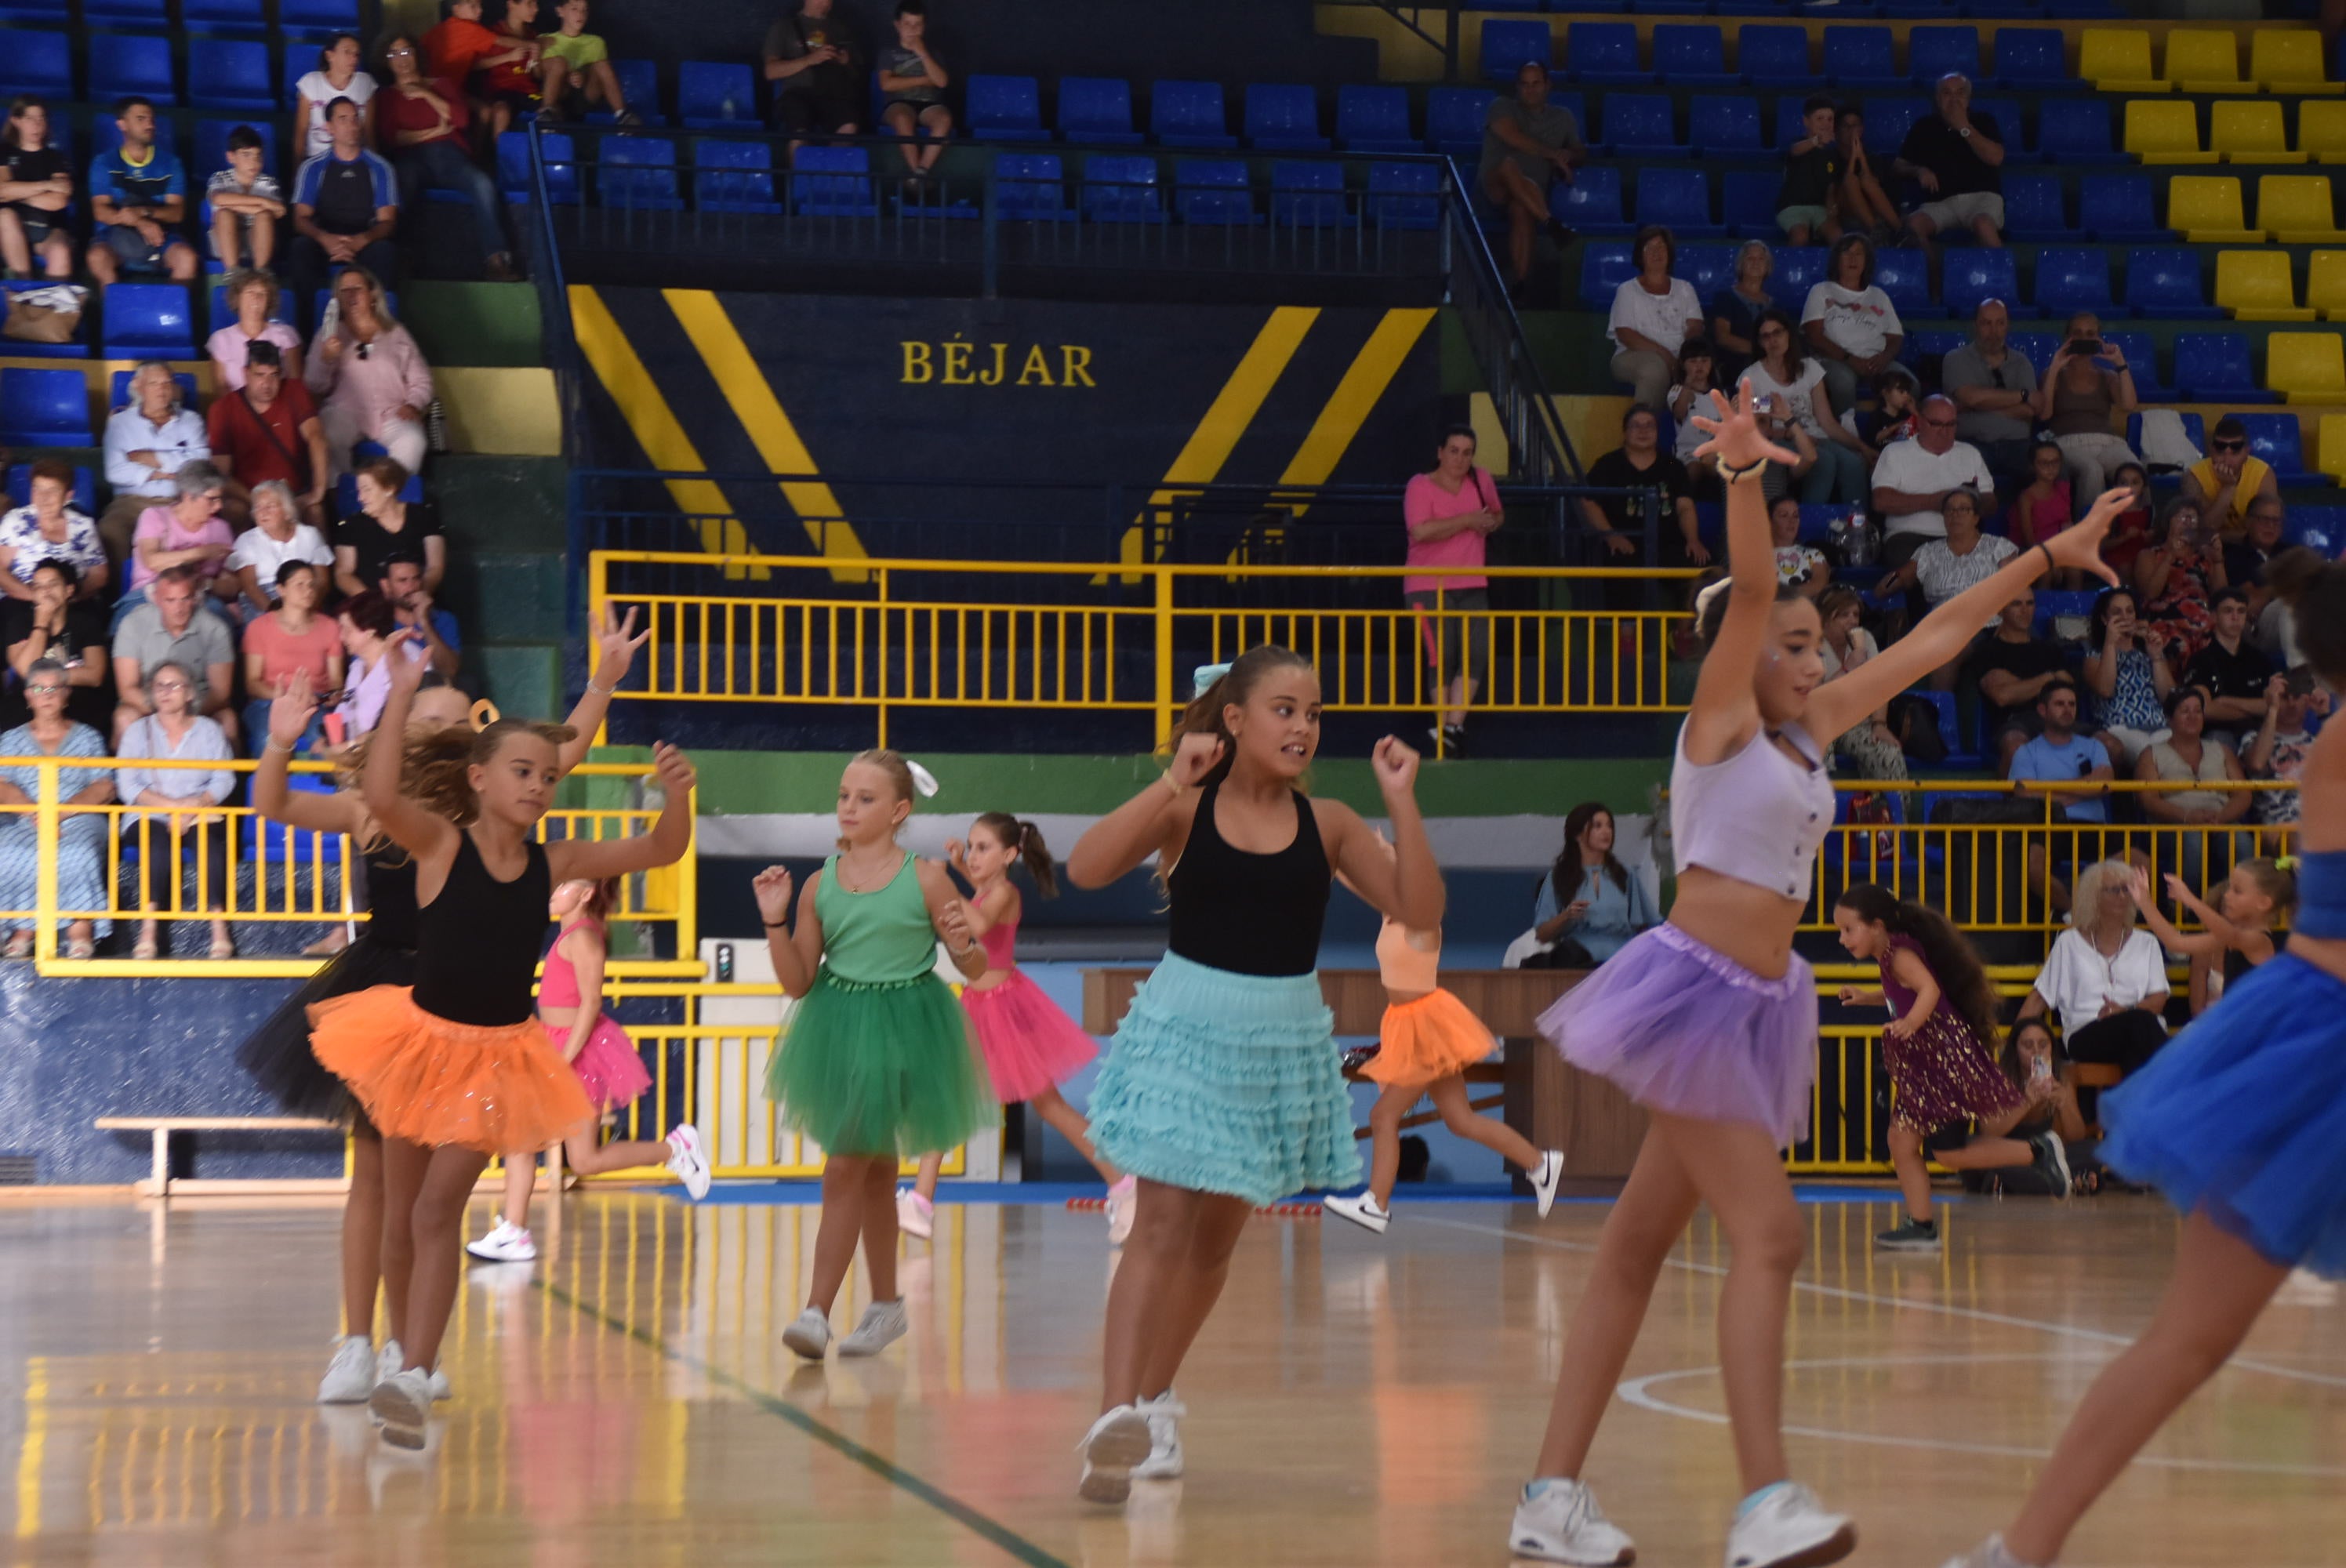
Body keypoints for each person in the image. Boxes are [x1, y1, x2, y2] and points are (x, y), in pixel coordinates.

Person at [1509, 387, 2120, 1568]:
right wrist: (1741, 477)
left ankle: (1548, 1499)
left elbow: (1936, 640)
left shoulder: (1810, 729)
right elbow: (1748, 594)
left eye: (1815, 639)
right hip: (1693, 989)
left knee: (1636, 1249)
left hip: (1754, 1002)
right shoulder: (1720, 727)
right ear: (1739, 656)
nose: (1811, 653)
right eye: (1788, 643)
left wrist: (2046, 552)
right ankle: (1761, 1505)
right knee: (1774, 1238)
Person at [1941, 559, 2346, 1567]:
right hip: (2313, 1046)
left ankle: (2019, 1548)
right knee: (2187, 1338)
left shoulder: (2333, 742)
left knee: (2184, 1340)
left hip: (2298, 1039)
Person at [237, 608, 646, 1406]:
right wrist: (284, 738)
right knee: (375, 1185)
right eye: (425, 712)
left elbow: (564, 748)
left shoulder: (493, 818)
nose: (443, 727)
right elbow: (275, 806)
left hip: (470, 1011)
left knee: (428, 1202)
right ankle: (357, 1341)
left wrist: (600, 680)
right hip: (382, 998)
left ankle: (406, 1349)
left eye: (457, 720)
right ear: (402, 717)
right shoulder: (375, 807)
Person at [1064, 648, 1440, 1505]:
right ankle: (1110, 1414)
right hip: (1185, 1027)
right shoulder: (1188, 807)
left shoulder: (1334, 822)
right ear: (1233, 719)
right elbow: (1085, 867)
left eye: (1312, 712)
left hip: (1275, 1041)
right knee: (1159, 1221)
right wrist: (1168, 780)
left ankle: (1152, 1400)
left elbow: (1419, 910)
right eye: (1283, 708)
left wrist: (1403, 803)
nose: (1302, 726)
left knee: (1213, 1243)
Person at [304, 648, 698, 1452]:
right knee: (403, 1215)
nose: (539, 786)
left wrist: (680, 798)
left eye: (549, 778)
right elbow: (379, 794)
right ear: (479, 777)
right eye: (523, 771)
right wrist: (400, 696)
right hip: (418, 1043)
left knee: (439, 1206)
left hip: (497, 1057)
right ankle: (385, 1348)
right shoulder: (441, 843)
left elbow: (659, 851)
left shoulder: (558, 861)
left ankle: (415, 1368)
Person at [754, 750, 994, 1363]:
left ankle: (816, 1310)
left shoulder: (927, 877)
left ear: (899, 811)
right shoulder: (819, 884)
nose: (849, 807)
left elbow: (976, 965)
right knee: (877, 1171)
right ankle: (886, 1306)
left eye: (865, 798)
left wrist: (965, 945)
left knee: (844, 1165)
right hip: (839, 1023)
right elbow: (799, 982)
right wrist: (775, 923)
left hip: (907, 1028)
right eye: (843, 796)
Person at [897, 814, 1135, 1244]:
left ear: (1009, 855)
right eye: (970, 846)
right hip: (979, 1005)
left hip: (1002, 1007)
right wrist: (955, 868)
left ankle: (1122, 1183)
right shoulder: (988, 887)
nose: (973, 855)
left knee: (1048, 1105)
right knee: (954, 1098)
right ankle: (921, 1201)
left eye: (983, 847)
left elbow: (981, 925)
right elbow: (976, 892)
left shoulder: (1004, 893)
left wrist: (944, 883)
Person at [466, 875, 713, 1264]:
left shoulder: (584, 937)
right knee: (549, 1148)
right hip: (550, 1043)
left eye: (562, 886)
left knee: (559, 1151)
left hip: (576, 1051)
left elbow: (591, 1004)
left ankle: (675, 1148)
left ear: (586, 894)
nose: (552, 893)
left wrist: (563, 1062)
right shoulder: (570, 935)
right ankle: (514, 1230)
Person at [1325, 855, 1565, 1235]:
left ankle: (1376, 1203)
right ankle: (1539, 1163)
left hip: (1426, 1025)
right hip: (1409, 1024)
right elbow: (1359, 877)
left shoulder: (1423, 923)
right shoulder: (1391, 912)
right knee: (1461, 1120)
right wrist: (1335, 855)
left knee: (1383, 1116)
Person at [1832, 884, 2054, 1253]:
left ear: (1876, 925)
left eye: (1847, 929)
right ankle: (1921, 1226)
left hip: (1941, 1063)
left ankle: (2038, 1152)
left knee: (1947, 1154)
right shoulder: (1890, 953)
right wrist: (1867, 996)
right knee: (1902, 1141)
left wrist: (1910, 1024)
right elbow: (1903, 992)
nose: (1841, 939)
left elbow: (1929, 991)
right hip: (1926, 1066)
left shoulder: (1899, 953)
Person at [115, 660, 237, 960]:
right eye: (160, 686)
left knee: (210, 845)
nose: (166, 692)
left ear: (190, 694)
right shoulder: (136, 731)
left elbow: (225, 778)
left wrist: (193, 809)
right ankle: (148, 929)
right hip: (149, 813)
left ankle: (219, 930)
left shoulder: (209, 730)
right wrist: (175, 809)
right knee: (156, 843)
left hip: (199, 812)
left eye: (175, 685)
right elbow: (127, 785)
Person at [376, 34, 518, 282]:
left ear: (417, 54)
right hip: (411, 158)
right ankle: (402, 258)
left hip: (449, 154)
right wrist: (436, 130)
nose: (401, 59)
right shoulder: (387, 96)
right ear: (387, 62)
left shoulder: (441, 84)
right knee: (401, 182)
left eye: (406, 51)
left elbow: (461, 119)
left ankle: (496, 260)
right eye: (393, 54)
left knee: (483, 184)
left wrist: (425, 93)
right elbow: (394, 138)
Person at [2014, 858, 2170, 1083]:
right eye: (2113, 890)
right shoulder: (2069, 943)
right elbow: (2038, 1000)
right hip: (2086, 1032)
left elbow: (2158, 999)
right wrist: (2012, 1051)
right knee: (2141, 1024)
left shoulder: (2147, 943)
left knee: (2135, 1047)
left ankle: (2129, 1116)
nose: (2122, 896)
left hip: (2138, 1032)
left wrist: (2124, 1011)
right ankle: (2179, 1086)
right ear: (2094, 897)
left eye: (2127, 890)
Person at [0, 659, 112, 959]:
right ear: (28, 696)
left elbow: (104, 786)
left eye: (54, 688)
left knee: (76, 851)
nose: (47, 694)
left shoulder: (88, 737)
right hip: (25, 819)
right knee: (8, 850)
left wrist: (60, 812)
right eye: (39, 688)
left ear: (66, 694)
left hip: (77, 818)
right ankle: (23, 928)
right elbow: (2, 785)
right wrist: (35, 813)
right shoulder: (11, 740)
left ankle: (80, 928)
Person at [1404, 426, 1502, 756]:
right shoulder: (1419, 485)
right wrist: (1469, 520)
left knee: (1476, 653)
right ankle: (1446, 727)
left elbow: (1496, 514)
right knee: (1440, 656)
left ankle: (1451, 727)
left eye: (1467, 452)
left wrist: (1489, 522)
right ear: (1440, 452)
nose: (1461, 458)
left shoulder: (1481, 479)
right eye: (1455, 451)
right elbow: (1420, 530)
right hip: (1427, 585)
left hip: (1473, 581)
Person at [307, 270, 431, 479]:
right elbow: (313, 385)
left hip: (391, 412)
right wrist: (326, 358)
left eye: (357, 289)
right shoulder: (328, 334)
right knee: (328, 435)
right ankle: (343, 499)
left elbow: (422, 380)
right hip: (345, 411)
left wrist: (413, 404)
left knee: (413, 440)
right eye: (344, 291)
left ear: (373, 294)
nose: (351, 295)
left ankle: (387, 499)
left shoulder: (396, 333)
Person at [1738, 310, 1868, 504]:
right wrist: (1790, 434)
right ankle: (1808, 521)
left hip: (1817, 436)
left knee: (1854, 463)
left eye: (1778, 333)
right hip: (1780, 438)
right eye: (1766, 336)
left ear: (1788, 334)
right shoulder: (1751, 378)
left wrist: (1861, 446)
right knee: (1824, 461)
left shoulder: (1810, 369)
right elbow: (1755, 425)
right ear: (1759, 342)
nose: (1773, 340)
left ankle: (1857, 523)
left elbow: (1827, 421)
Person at [2130, 860, 2289, 1018]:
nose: (2226, 895)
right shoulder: (2230, 938)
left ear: (2263, 903)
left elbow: (2232, 935)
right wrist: (2144, 901)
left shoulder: (2259, 940)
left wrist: (2190, 899)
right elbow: (2175, 942)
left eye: (2237, 891)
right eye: (2229, 888)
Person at [287, 97, 399, 319]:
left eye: (355, 119)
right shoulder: (313, 167)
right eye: (343, 119)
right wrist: (325, 239)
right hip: (324, 239)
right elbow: (300, 219)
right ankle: (310, 328)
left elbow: (388, 221)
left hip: (364, 239)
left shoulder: (380, 167)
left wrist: (361, 240)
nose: (352, 125)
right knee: (300, 249)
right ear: (329, 128)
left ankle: (377, 327)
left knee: (385, 253)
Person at [1478, 61, 1582, 292]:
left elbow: (1580, 150)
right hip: (1496, 184)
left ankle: (1520, 284)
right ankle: (1550, 223)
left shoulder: (1563, 117)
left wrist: (1568, 154)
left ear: (1547, 85)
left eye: (1536, 83)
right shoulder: (1501, 106)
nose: (1530, 90)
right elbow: (1512, 136)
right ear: (1517, 87)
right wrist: (1553, 155)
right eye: (1525, 84)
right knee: (1508, 164)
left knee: (1521, 209)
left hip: (1531, 190)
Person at [97, 363, 212, 566]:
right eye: (154, 383)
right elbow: (115, 472)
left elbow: (201, 464)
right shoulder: (120, 423)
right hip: (130, 502)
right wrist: (170, 471)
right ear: (140, 388)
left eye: (167, 383)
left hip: (178, 502)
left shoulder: (191, 420)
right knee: (110, 531)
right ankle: (124, 594)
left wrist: (152, 459)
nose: (162, 389)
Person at [206, 341, 328, 531]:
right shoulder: (223, 409)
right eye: (260, 375)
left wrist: (318, 491)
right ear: (245, 373)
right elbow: (222, 473)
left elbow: (316, 437)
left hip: (292, 493)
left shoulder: (295, 391)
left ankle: (322, 561)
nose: (267, 384)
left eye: (273, 376)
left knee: (316, 510)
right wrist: (258, 502)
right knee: (233, 509)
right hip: (248, 495)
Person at [1870, 394, 1998, 572]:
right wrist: (1936, 502)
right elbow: (1881, 501)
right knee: (1917, 565)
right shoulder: (1895, 453)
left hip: (1962, 538)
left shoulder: (1970, 453)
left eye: (1950, 424)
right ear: (1920, 422)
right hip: (1909, 538)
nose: (1944, 431)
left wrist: (1969, 503)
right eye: (1936, 424)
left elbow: (1990, 503)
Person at [111, 567, 235, 746]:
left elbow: (220, 693)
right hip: (148, 702)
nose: (179, 608)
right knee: (124, 718)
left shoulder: (215, 628)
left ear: (195, 598)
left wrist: (183, 713)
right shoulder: (133, 624)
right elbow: (127, 689)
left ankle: (223, 775)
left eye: (185, 599)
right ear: (157, 600)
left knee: (227, 720)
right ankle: (127, 774)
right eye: (170, 600)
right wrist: (166, 712)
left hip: (196, 704)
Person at [1880, 488, 2018, 649]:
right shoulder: (1929, 552)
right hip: (1943, 628)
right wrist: (1886, 584)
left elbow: (2013, 589)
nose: (1955, 514)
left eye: (1963, 509)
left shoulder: (1998, 546)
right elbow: (1899, 577)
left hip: (1989, 626)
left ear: (1976, 517)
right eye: (1950, 510)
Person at [85, 96, 197, 285]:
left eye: (151, 119)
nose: (149, 124)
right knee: (97, 257)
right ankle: (113, 312)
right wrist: (140, 222)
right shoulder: (104, 162)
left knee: (187, 259)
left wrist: (143, 213)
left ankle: (169, 313)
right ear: (122, 124)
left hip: (162, 237)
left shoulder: (171, 163)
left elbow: (177, 212)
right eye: (141, 119)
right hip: (115, 236)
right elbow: (101, 211)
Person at [1531, 801, 1658, 965]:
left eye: (1609, 826)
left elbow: (1646, 925)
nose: (1606, 832)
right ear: (1577, 835)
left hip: (1621, 962)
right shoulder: (1558, 876)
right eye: (1597, 826)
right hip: (1577, 963)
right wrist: (1566, 916)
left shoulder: (1625, 874)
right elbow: (1542, 935)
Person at [2034, 313, 2139, 511]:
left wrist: (2120, 363)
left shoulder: (2106, 376)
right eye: (2078, 333)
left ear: (2098, 339)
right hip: (2069, 443)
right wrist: (2056, 367)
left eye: (2090, 334)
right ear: (2068, 338)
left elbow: (2129, 404)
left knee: (2133, 469)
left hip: (2108, 443)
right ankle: (2089, 534)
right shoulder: (2052, 375)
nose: (2084, 338)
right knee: (2092, 471)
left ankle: (2137, 527)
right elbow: (2044, 414)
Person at [1894, 73, 2006, 253]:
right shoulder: (1925, 126)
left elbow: (1996, 158)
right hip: (1940, 202)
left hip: (1981, 198)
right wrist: (1919, 170)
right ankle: (1933, 276)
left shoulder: (1983, 121)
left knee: (1983, 225)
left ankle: (2005, 278)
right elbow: (1898, 166)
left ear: (1968, 99)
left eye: (1960, 93)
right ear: (1938, 99)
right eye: (1947, 93)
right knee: (1912, 227)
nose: (1954, 99)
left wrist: (1965, 127)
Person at [238, 557, 340, 745]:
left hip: (313, 702)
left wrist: (332, 695)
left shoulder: (330, 626)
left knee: (320, 739)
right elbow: (252, 683)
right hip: (269, 701)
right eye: (299, 585)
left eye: (311, 585)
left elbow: (335, 680)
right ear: (281, 589)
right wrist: (287, 698)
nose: (308, 590)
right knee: (267, 739)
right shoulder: (259, 627)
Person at [1800, 234, 1902, 418]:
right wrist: (1850, 359)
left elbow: (1895, 337)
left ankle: (1892, 431)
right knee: (1843, 383)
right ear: (1837, 259)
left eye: (1859, 254)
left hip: (1876, 360)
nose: (1853, 259)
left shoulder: (1879, 295)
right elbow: (1813, 336)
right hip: (1835, 359)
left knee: (1907, 383)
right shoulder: (1821, 290)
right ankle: (1846, 430)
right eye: (1847, 253)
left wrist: (1884, 358)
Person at [1940, 299, 2040, 482]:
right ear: (1975, 325)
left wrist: (1978, 405)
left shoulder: (2022, 362)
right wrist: (2021, 395)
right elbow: (1970, 398)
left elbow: (2030, 411)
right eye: (1986, 323)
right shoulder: (1955, 359)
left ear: (2007, 326)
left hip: (2018, 446)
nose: (1993, 331)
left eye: (2000, 323)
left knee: (2055, 468)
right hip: (1971, 444)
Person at [124, 462, 236, 626]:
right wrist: (202, 552)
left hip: (198, 597)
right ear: (188, 496)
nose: (218, 506)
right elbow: (152, 560)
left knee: (219, 622)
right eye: (212, 499)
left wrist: (206, 583)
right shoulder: (154, 516)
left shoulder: (221, 529)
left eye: (220, 499)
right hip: (148, 593)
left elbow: (232, 586)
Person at [1967, 589, 2067, 773]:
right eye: (2016, 604)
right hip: (2013, 722)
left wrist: (2018, 685)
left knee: (2110, 745)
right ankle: (2014, 803)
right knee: (2017, 749)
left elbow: (2068, 688)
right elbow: (2002, 696)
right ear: (2000, 609)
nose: (2025, 610)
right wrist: (2049, 678)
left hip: (2059, 718)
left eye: (2030, 603)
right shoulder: (1987, 651)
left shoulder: (2050, 649)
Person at [2, 561, 108, 732]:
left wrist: (47, 680)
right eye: (38, 587)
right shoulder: (19, 623)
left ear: (69, 590)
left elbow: (95, 675)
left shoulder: (86, 623)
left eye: (53, 584)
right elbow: (24, 671)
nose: (45, 591)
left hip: (76, 699)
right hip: (30, 701)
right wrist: (42, 622)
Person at [1816, 583, 1908, 780]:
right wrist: (1849, 666)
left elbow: (1879, 684)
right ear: (1825, 619)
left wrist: (1879, 724)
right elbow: (1817, 699)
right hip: (1819, 721)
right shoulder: (1812, 644)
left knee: (1888, 753)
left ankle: (1890, 810)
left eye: (1855, 615)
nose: (1852, 621)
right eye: (1843, 615)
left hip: (1856, 722)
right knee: (1816, 750)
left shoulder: (1865, 638)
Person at [1608, 227, 1704, 408]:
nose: (1657, 252)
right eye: (1649, 248)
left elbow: (1695, 327)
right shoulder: (1627, 290)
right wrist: (1665, 355)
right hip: (1633, 355)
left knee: (1703, 369)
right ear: (1640, 256)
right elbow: (1625, 334)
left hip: (1681, 354)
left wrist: (1684, 356)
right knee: (1655, 370)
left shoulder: (1685, 288)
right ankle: (1644, 426)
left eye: (1661, 247)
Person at [2082, 586, 2174, 767]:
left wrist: (2156, 656)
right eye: (2117, 612)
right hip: (2121, 729)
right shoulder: (2094, 657)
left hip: (2160, 727)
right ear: (2104, 619)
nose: (2125, 617)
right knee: (2153, 756)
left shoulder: (2146, 653)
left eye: (2130, 611)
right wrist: (2110, 643)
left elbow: (2169, 698)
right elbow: (2105, 689)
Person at [2009, 677, 2114, 826]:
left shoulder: (2095, 746)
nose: (2067, 710)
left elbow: (2105, 784)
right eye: (2059, 704)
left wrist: (2048, 790)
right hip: (2048, 828)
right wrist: (2085, 789)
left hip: (2093, 829)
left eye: (2072, 704)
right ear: (2042, 710)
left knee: (2134, 851)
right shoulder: (2026, 752)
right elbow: (2026, 795)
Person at [2135, 496, 2227, 666]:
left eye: (2192, 519)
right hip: (2165, 622)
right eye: (2182, 518)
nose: (2188, 523)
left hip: (2203, 622)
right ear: (2168, 523)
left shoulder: (2204, 556)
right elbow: (2150, 593)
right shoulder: (2149, 555)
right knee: (2178, 646)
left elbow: (2221, 597)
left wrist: (2218, 561)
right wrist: (2169, 556)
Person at [334, 457, 442, 597]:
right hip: (374, 608)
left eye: (367, 490)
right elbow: (343, 575)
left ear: (389, 488)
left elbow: (435, 566)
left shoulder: (424, 515)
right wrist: (376, 606)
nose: (360, 498)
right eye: (359, 491)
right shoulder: (351, 526)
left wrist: (418, 597)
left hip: (420, 600)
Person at [225, 481, 335, 619]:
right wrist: (279, 617)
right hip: (264, 604)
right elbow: (250, 587)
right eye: (258, 507)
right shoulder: (247, 540)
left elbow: (322, 581)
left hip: (306, 599)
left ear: (287, 512)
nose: (263, 513)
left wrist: (306, 610)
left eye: (270, 506)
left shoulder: (309, 535)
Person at [764, 0, 864, 150]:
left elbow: (857, 74)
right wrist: (809, 60)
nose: (825, 3)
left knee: (849, 125)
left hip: (832, 94)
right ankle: (797, 172)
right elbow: (770, 71)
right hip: (797, 93)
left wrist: (846, 62)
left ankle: (833, 170)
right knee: (799, 132)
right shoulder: (784, 27)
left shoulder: (840, 29)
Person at [2178, 586, 2276, 739]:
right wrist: (2254, 709)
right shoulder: (2200, 660)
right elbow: (2204, 709)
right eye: (2228, 611)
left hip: (2259, 732)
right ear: (2214, 617)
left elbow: (2274, 704)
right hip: (2221, 733)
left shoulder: (2260, 659)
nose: (2235, 617)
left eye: (2241, 611)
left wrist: (2226, 701)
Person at [0, 459, 104, 601]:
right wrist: (38, 599)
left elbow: (99, 575)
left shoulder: (83, 525)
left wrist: (67, 600)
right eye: (38, 489)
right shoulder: (15, 520)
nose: (43, 498)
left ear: (68, 496)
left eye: (53, 490)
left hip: (71, 602)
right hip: (22, 600)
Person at [876, 0, 951, 187]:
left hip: (929, 104)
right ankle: (916, 171)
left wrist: (922, 53)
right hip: (898, 104)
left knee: (944, 120)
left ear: (924, 27)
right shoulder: (889, 53)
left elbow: (941, 82)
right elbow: (886, 84)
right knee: (902, 118)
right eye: (908, 24)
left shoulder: (932, 53)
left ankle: (920, 172)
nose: (912, 30)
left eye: (917, 25)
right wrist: (924, 80)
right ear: (898, 25)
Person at [334, 589, 424, 740]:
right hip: (355, 754)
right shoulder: (357, 667)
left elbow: (402, 722)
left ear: (369, 630)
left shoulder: (405, 656)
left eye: (347, 630)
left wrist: (350, 748)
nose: (341, 637)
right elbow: (343, 714)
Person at [1, 96, 74, 281]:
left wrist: (16, 193)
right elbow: (2, 191)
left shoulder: (56, 157)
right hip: (9, 228)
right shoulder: (4, 152)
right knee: (6, 216)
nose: (36, 125)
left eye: (41, 118)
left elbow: (58, 200)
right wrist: (46, 185)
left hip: (47, 227)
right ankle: (22, 290)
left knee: (60, 250)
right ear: (16, 121)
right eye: (30, 119)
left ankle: (52, 304)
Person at [205, 269, 306, 393]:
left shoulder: (286, 335)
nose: (256, 298)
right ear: (237, 299)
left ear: (269, 301)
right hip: (235, 408)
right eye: (250, 292)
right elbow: (221, 390)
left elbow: (295, 385)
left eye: (262, 294)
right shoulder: (221, 339)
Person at [538, 0, 637, 125]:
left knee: (602, 65)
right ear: (560, 11)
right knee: (558, 63)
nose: (580, 14)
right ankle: (546, 111)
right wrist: (567, 76)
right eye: (574, 9)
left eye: (585, 10)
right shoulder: (545, 40)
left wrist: (582, 75)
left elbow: (598, 74)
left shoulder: (596, 42)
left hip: (585, 95)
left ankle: (622, 114)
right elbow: (540, 74)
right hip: (559, 95)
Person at [2246, 669, 2322, 833]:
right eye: (2285, 698)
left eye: (2297, 697)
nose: (2292, 704)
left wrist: (2325, 714)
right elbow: (2257, 764)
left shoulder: (2320, 744)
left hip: (2320, 824)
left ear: (2307, 700)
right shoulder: (2252, 739)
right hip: (2278, 826)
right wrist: (2272, 708)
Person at [204, 125, 284, 274]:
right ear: (231, 157)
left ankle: (261, 272)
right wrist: (264, 202)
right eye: (246, 155)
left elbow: (278, 212)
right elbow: (219, 199)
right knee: (224, 214)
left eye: (258, 155)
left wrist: (247, 204)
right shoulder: (220, 177)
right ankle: (233, 272)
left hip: (259, 239)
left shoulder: (268, 181)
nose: (254, 162)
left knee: (265, 217)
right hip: (225, 240)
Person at [2180, 414, 2279, 534]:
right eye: (2220, 450)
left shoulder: (2263, 474)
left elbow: (2265, 532)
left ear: (2247, 452)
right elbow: (2203, 531)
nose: (2227, 460)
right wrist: (2228, 488)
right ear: (2211, 450)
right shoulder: (2194, 476)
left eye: (2235, 451)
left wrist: (2224, 537)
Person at [295, 34, 377, 162]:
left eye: (357, 54)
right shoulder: (311, 82)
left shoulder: (365, 82)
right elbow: (301, 132)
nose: (354, 58)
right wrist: (297, 170)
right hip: (317, 158)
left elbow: (369, 133)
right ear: (329, 56)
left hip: (354, 158)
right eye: (347, 52)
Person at [1774, 96, 1843, 248]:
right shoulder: (1797, 143)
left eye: (1830, 119)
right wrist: (1816, 141)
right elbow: (1795, 151)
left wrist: (1832, 204)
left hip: (1819, 208)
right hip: (1792, 206)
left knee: (1838, 237)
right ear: (1806, 121)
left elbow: (1831, 183)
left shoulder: (1832, 152)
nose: (1826, 123)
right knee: (1800, 236)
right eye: (1820, 118)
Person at [1708, 239, 1774, 386]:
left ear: (1767, 266)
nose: (1756, 263)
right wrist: (1760, 352)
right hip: (1736, 364)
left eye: (1761, 259)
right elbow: (1722, 337)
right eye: (1750, 258)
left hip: (1771, 363)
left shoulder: (1775, 305)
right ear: (1741, 264)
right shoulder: (1725, 297)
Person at [1834, 103, 1901, 241]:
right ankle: (1876, 231)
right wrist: (1854, 157)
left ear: (1862, 129)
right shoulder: (1830, 159)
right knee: (1851, 181)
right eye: (1847, 126)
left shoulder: (1874, 159)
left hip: (1873, 211)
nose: (1852, 131)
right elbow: (1842, 187)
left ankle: (1901, 231)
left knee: (1867, 180)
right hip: (1845, 213)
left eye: (1856, 126)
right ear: (1837, 131)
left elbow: (1873, 185)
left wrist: (1861, 157)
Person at [1669, 338, 1727, 487]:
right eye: (1693, 361)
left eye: (1704, 360)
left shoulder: (1721, 393)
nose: (1699, 366)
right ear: (1683, 364)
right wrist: (1687, 387)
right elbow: (1679, 414)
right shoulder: (1677, 390)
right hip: (1689, 453)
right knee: (1694, 468)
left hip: (1716, 452)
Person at [2225, 492, 2287, 622]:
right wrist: (2288, 585)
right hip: (2256, 627)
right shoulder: (2234, 555)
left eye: (2276, 520)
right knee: (2288, 611)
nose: (2271, 526)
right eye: (2264, 519)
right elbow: (2252, 603)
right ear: (2248, 522)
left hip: (2302, 621)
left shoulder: (2292, 553)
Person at [422, 0, 503, 99]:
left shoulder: (437, 29)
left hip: (444, 88)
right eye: (473, 6)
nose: (480, 10)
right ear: (456, 9)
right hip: (445, 91)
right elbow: (500, 41)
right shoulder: (469, 28)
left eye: (480, 5)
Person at [2010, 440, 2072, 553]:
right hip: (2034, 552)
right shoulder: (2026, 498)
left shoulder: (2064, 488)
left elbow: (2067, 524)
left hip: (2059, 546)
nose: (2051, 467)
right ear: (2032, 466)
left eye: (2055, 462)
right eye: (2044, 463)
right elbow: (2028, 540)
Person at [2101, 463, 2156, 583]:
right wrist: (2125, 537)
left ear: (2143, 487)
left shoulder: (2150, 512)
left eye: (2135, 483)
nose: (2129, 487)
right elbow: (2104, 545)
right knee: (2125, 568)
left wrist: (2151, 537)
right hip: (2117, 557)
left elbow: (2157, 540)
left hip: (2142, 555)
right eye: (2123, 483)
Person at [1770, 495, 1829, 598]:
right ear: (1769, 521)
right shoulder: (1754, 556)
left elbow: (1818, 585)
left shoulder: (1813, 554)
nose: (1792, 521)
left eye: (1796, 516)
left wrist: (1782, 597)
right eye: (1784, 515)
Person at [1855, 365, 1919, 461]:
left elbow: (1924, 430)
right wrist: (1895, 427)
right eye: (1901, 391)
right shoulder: (1877, 416)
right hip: (1883, 456)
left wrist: (1914, 412)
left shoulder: (1906, 415)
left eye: (1908, 392)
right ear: (1885, 393)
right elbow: (1875, 439)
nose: (1906, 396)